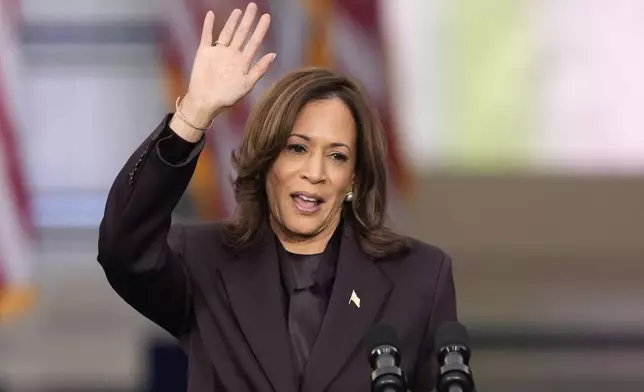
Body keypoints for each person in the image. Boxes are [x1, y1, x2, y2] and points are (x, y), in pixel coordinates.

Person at [97, 3, 457, 392]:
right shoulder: (204, 265)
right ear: (265, 162)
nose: (314, 173)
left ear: (354, 178)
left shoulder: (419, 276)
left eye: (336, 156)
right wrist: (193, 115)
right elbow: (123, 247)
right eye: (296, 149)